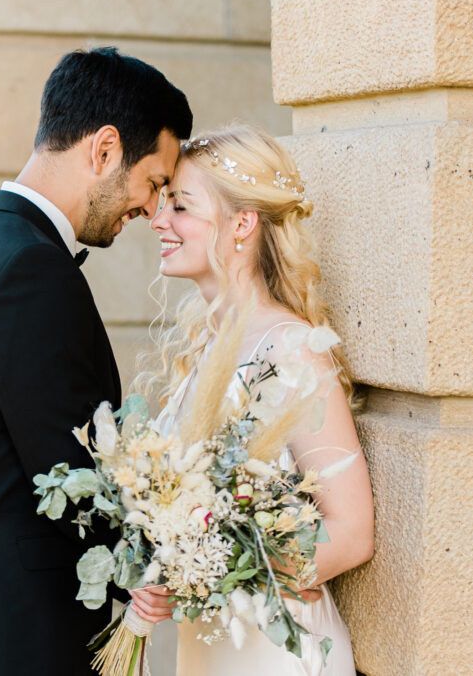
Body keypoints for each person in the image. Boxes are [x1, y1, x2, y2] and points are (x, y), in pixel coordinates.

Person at [0, 47, 193, 675]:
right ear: (104, 149)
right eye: (153, 182)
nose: (151, 209)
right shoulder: (28, 270)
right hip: (8, 640)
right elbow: (73, 477)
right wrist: (188, 544)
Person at [142, 125, 375, 675]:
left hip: (277, 653)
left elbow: (352, 533)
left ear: (242, 224)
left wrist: (205, 576)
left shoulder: (292, 350)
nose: (158, 220)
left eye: (180, 206)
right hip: (207, 649)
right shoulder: (204, 350)